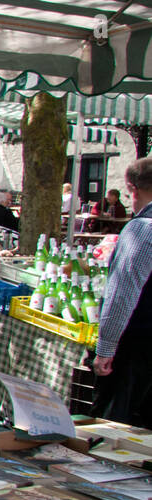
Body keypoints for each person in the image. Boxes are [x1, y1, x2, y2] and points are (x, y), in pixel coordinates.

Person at [92, 159, 152, 427]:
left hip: (139, 347)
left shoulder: (142, 228)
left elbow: (122, 294)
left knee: (116, 430)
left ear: (133, 189)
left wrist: (105, 349)